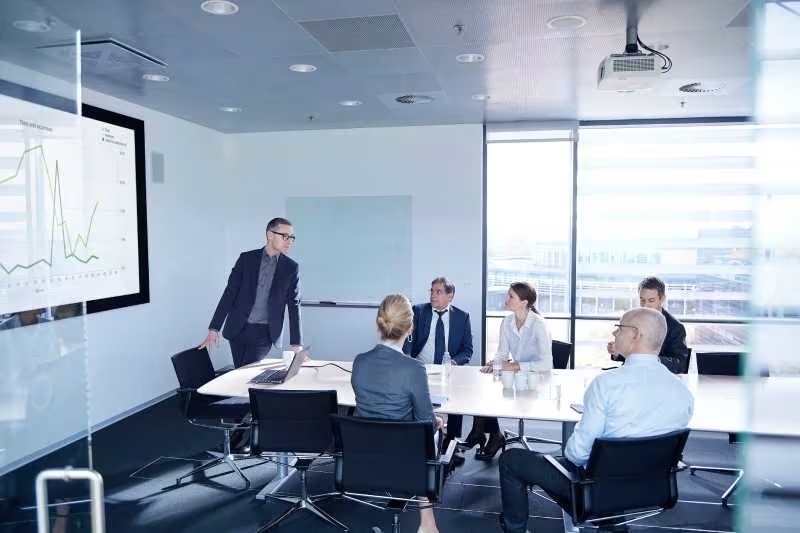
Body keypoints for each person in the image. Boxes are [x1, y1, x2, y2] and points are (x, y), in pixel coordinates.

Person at [498, 307, 694, 533]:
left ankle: (515, 529)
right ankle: (612, 527)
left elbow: (576, 454)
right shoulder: (682, 392)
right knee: (611, 466)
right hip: (653, 488)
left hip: (598, 492)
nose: (614, 334)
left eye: (619, 328)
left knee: (512, 459)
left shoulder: (606, 385)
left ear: (636, 335)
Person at [352, 293, 443, 533]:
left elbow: (371, 405)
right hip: (404, 457)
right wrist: (436, 421)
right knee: (428, 435)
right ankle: (427, 522)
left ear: (378, 323)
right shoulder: (413, 368)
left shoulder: (359, 362)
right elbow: (425, 421)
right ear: (410, 328)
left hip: (364, 453)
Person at [199, 217, 301, 368]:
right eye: (285, 236)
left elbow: (294, 305)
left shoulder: (291, 268)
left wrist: (296, 343)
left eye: (291, 237)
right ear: (270, 235)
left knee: (247, 372)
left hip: (264, 333)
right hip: (238, 329)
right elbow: (229, 294)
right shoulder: (246, 259)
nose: (289, 241)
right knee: (240, 373)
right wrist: (214, 329)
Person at [471, 282, 552, 461]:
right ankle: (489, 434)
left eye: (510, 297)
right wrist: (494, 363)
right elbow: (502, 353)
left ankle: (485, 435)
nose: (505, 299)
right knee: (485, 390)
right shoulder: (507, 322)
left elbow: (547, 363)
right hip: (515, 377)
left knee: (493, 392)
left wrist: (514, 366)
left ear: (524, 302)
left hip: (536, 379)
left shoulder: (538, 324)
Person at [403, 276, 473, 465]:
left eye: (438, 292)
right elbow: (407, 342)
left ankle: (452, 442)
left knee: (457, 394)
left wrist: (453, 363)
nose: (433, 295)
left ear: (450, 295)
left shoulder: (462, 316)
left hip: (448, 370)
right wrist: (408, 363)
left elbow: (467, 350)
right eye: (431, 291)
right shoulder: (418, 311)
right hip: (421, 367)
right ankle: (418, 438)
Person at [607, 276, 690, 374]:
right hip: (632, 373)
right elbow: (631, 351)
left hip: (660, 377)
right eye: (642, 300)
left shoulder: (676, 328)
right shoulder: (632, 319)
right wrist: (617, 351)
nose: (645, 305)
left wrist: (649, 360)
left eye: (651, 301)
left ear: (662, 299)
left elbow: (680, 364)